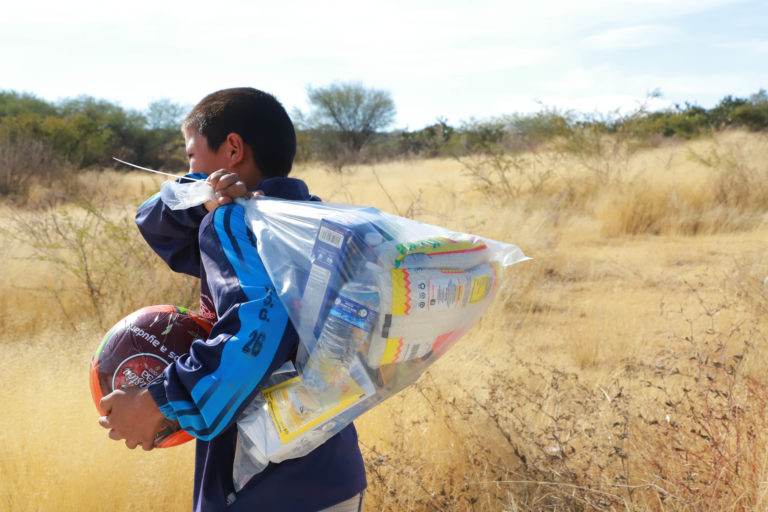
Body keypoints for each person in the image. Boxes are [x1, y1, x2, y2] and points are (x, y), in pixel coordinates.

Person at [98, 87, 367, 512]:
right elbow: (155, 219)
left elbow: (258, 327)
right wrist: (201, 196)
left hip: (265, 483)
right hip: (334, 471)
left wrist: (155, 402)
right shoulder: (313, 218)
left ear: (233, 148)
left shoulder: (235, 224)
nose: (188, 171)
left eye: (191, 157)